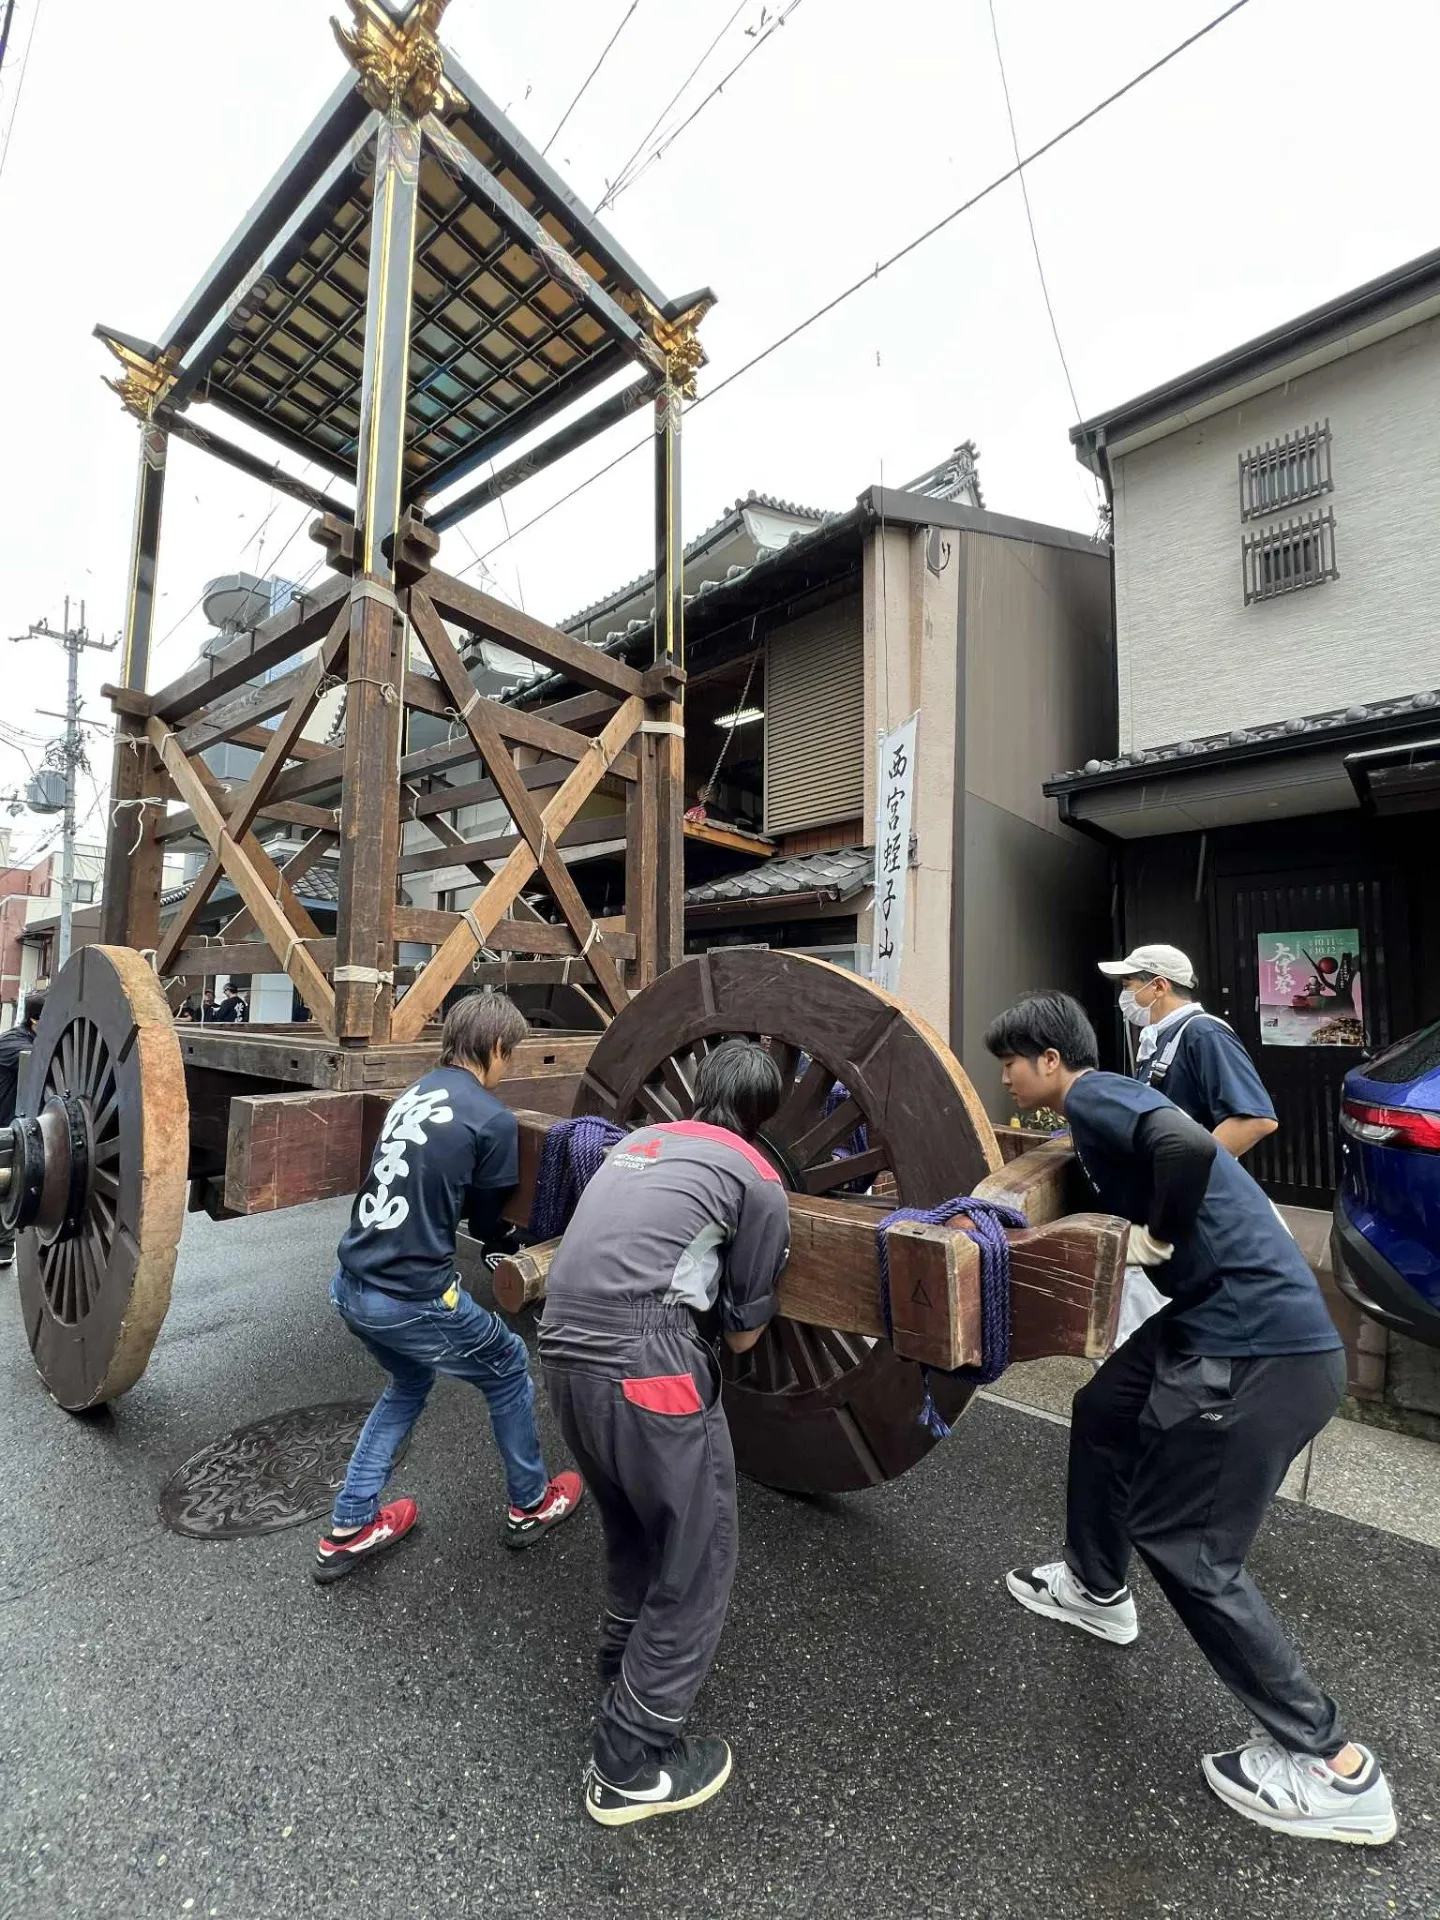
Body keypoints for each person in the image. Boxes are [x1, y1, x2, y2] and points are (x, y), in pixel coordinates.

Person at [984, 991, 1395, 1846]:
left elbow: (1178, 1146)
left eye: (1012, 1062)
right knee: (1103, 1407)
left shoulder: (1095, 1093)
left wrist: (1159, 1233)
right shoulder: (1097, 1106)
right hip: (1218, 1320)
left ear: (1051, 1062)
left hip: (1260, 1349)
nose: (1007, 1076)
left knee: (1186, 1543)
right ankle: (1096, 1587)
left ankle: (1330, 1765)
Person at [539, 1041, 791, 1828]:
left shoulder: (634, 1145)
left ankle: (622, 1661)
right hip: (647, 1363)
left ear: (700, 1091)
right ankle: (629, 1759)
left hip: (560, 1348)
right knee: (700, 1549)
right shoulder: (757, 1176)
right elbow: (746, 1338)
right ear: (763, 1117)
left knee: (630, 1520)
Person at [316, 991, 582, 1583]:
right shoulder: (491, 1118)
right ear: (493, 1048)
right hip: (409, 1296)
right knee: (510, 1363)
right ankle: (531, 1503)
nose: (508, 1067)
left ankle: (350, 1525)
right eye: (509, 1055)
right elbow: (486, 1227)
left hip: (350, 1282)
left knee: (409, 1381)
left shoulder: (414, 1094)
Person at [1099, 943, 1277, 1158]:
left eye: (1128, 985)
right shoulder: (1166, 1034)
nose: (1124, 995)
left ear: (1159, 987)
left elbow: (1255, 1120)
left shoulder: (1203, 1032)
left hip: (1193, 1188)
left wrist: (1186, 1171)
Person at [0, 993, 46, 1268]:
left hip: (18, 1124)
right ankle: (4, 1245)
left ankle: (5, 1243)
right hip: (5, 1125)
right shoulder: (13, 1044)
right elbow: (41, 1061)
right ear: (34, 1020)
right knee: (9, 1181)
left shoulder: (29, 1039)